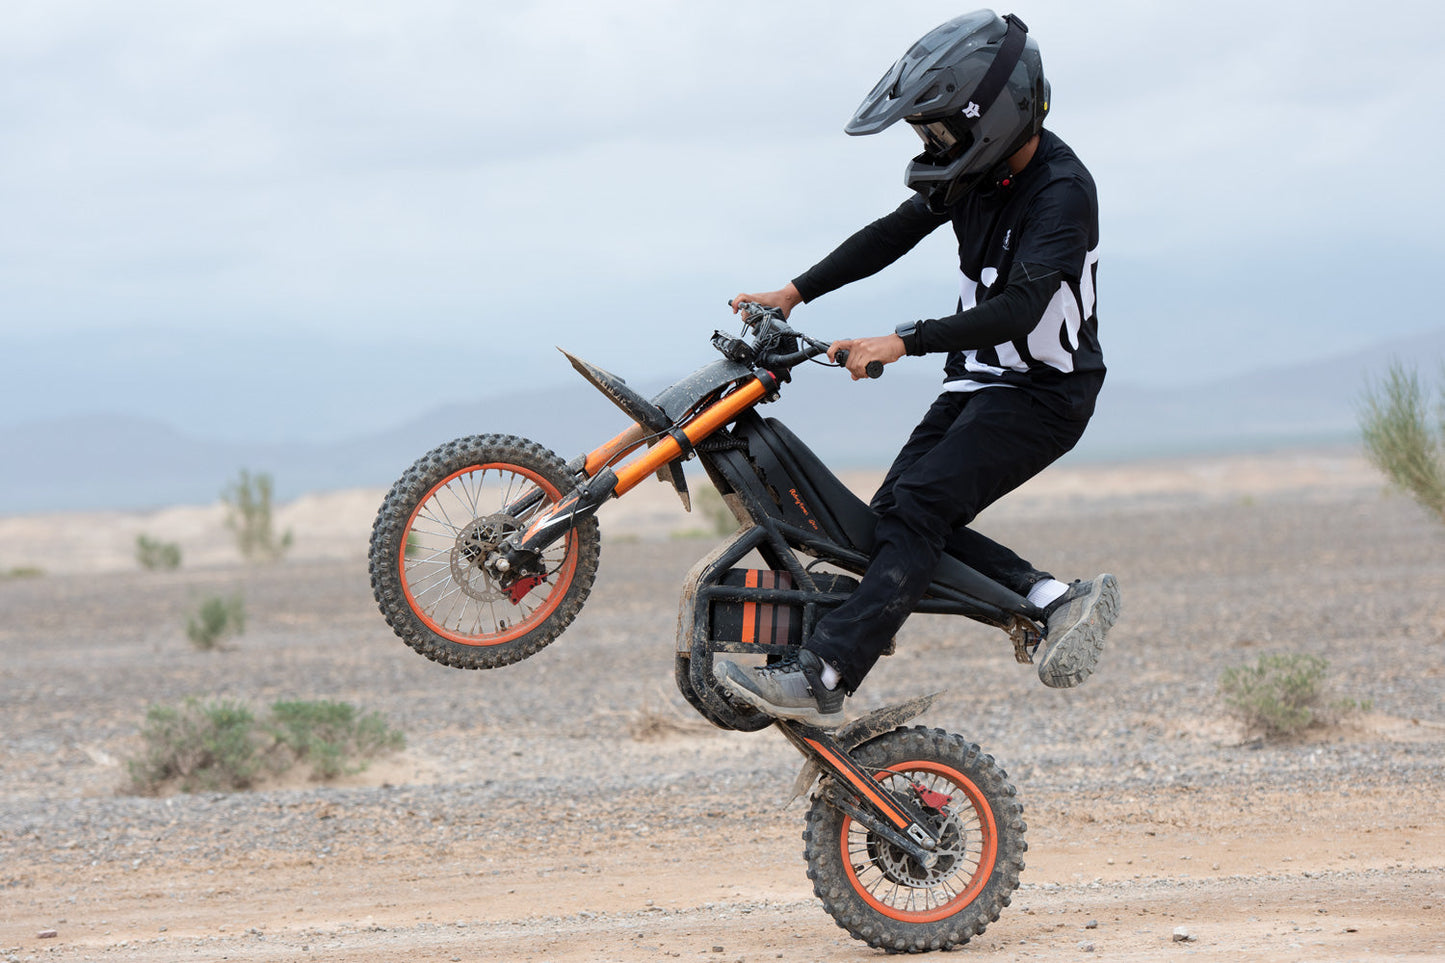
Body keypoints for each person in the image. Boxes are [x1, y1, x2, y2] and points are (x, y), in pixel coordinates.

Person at [715, 10, 1120, 728]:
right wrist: (794, 290)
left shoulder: (1061, 190)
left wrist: (902, 340)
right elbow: (893, 233)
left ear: (991, 119)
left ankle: (826, 670)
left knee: (920, 508)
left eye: (939, 130)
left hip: (1043, 394)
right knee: (894, 522)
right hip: (978, 379)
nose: (932, 145)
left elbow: (1022, 307)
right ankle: (1051, 599)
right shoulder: (977, 174)